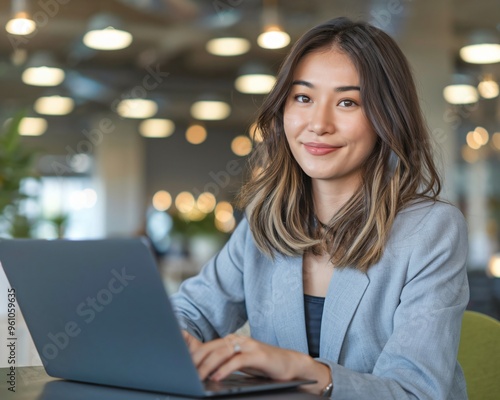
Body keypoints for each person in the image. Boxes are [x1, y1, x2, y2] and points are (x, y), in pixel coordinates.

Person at [171, 17, 469, 399]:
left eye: (347, 102)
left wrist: (301, 370)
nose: (318, 124)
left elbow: (416, 392)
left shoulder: (431, 231)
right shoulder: (266, 218)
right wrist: (176, 339)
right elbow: (192, 311)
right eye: (303, 98)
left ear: (386, 118)